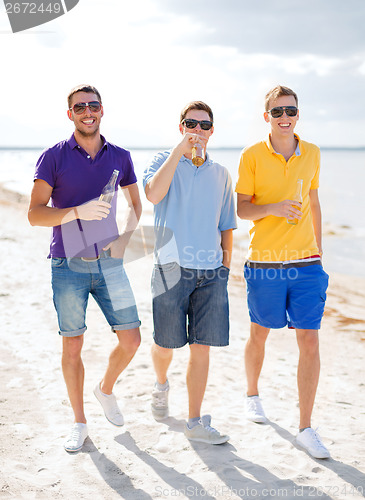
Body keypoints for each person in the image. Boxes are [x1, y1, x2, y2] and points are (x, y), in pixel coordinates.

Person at [28, 84, 142, 453]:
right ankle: (79, 422)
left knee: (132, 340)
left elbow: (136, 205)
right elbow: (34, 214)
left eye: (93, 105)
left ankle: (105, 389)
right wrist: (76, 211)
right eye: (80, 107)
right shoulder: (53, 157)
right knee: (73, 345)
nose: (87, 111)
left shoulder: (120, 157)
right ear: (70, 114)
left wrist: (125, 238)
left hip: (109, 264)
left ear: (102, 110)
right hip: (68, 265)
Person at [236, 85, 330, 459]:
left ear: (297, 113)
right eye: (277, 112)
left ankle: (306, 427)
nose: (285, 117)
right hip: (265, 262)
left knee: (309, 341)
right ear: (267, 117)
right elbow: (243, 209)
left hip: (307, 263)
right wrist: (274, 208)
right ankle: (252, 395)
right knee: (259, 333)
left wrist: (319, 251)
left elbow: (314, 201)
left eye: (290, 110)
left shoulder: (314, 153)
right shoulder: (252, 155)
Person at [143, 101, 236, 445]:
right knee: (165, 344)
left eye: (203, 125)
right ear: (181, 126)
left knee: (202, 349)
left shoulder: (222, 173)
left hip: (211, 273)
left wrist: (225, 268)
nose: (197, 130)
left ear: (212, 130)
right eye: (190, 123)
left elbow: (227, 225)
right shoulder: (161, 161)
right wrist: (179, 151)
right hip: (170, 268)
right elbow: (153, 193)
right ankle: (160, 385)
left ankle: (194, 420)